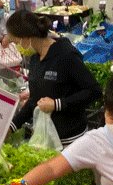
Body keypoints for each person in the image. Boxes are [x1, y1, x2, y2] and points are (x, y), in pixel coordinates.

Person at [6, 10, 102, 146]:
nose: (17, 47)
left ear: (27, 37)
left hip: (71, 140)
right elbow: (35, 100)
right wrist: (12, 126)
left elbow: (94, 91)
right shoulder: (35, 57)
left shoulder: (66, 55)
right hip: (47, 139)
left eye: (16, 42)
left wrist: (57, 104)